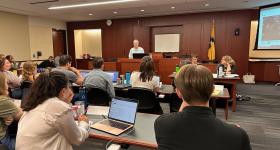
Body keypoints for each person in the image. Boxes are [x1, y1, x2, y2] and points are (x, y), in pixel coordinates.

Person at [154, 65, 251, 150]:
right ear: (212, 90)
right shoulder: (238, 135)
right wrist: (232, 129)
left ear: (178, 92)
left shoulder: (162, 123)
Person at [16, 71, 89, 150]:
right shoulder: (57, 106)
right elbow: (77, 138)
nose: (70, 90)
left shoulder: (34, 103)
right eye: (69, 87)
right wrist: (84, 123)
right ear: (63, 91)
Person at [0, 72, 23, 150]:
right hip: (4, 141)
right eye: (6, 83)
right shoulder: (2, 100)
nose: (8, 86)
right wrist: (13, 114)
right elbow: (21, 115)